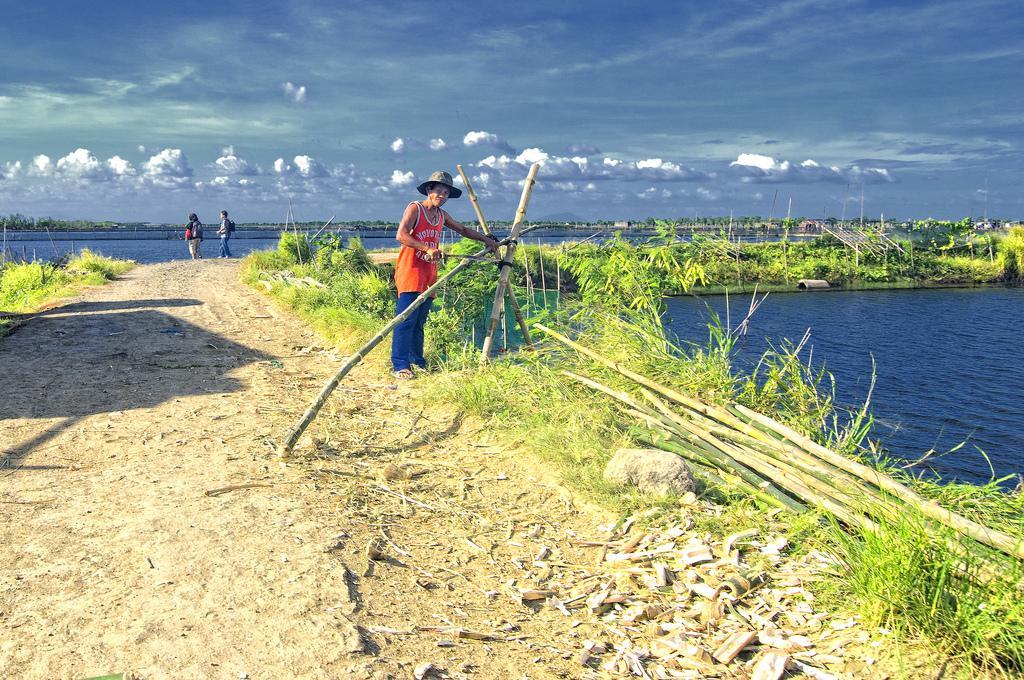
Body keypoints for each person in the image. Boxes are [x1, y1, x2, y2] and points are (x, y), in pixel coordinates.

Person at [390, 170, 498, 379]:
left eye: (446, 193)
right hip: (411, 270)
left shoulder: (441, 216)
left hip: (430, 274)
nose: (442, 196)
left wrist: (487, 240)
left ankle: (417, 361)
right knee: (406, 320)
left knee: (420, 321)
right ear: (429, 190)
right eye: (438, 191)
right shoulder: (416, 209)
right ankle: (400, 365)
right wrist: (427, 248)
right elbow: (401, 235)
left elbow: (463, 230)